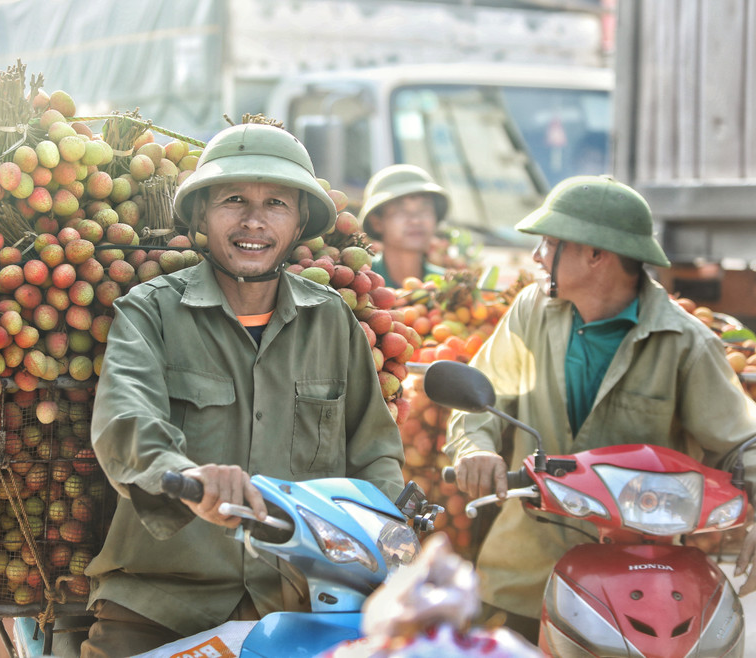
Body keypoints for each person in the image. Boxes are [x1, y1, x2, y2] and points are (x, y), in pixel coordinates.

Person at [82, 123, 406, 657]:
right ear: (201, 216)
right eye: (233, 200)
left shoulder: (332, 322)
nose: (253, 221)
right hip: (161, 606)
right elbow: (126, 422)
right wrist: (186, 476)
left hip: (300, 607)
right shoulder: (151, 312)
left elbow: (375, 455)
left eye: (275, 203)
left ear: (298, 223)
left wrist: (390, 541)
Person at [443, 175, 756, 642]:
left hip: (639, 591)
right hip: (523, 576)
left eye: (550, 244)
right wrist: (475, 447)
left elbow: (743, 441)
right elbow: (482, 398)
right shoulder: (531, 310)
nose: (537, 257)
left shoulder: (686, 342)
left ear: (595, 254)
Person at [356, 164, 450, 288]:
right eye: (401, 210)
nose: (416, 220)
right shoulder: (359, 280)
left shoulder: (447, 286)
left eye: (424, 209)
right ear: (377, 223)